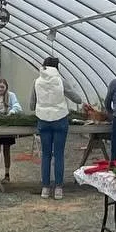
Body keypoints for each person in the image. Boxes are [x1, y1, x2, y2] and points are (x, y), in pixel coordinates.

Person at [31, 57, 79, 200]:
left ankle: (45, 188)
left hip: (43, 121)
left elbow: (31, 105)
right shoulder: (61, 81)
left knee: (46, 155)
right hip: (60, 120)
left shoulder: (36, 82)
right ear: (57, 67)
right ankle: (58, 188)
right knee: (58, 154)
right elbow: (77, 99)